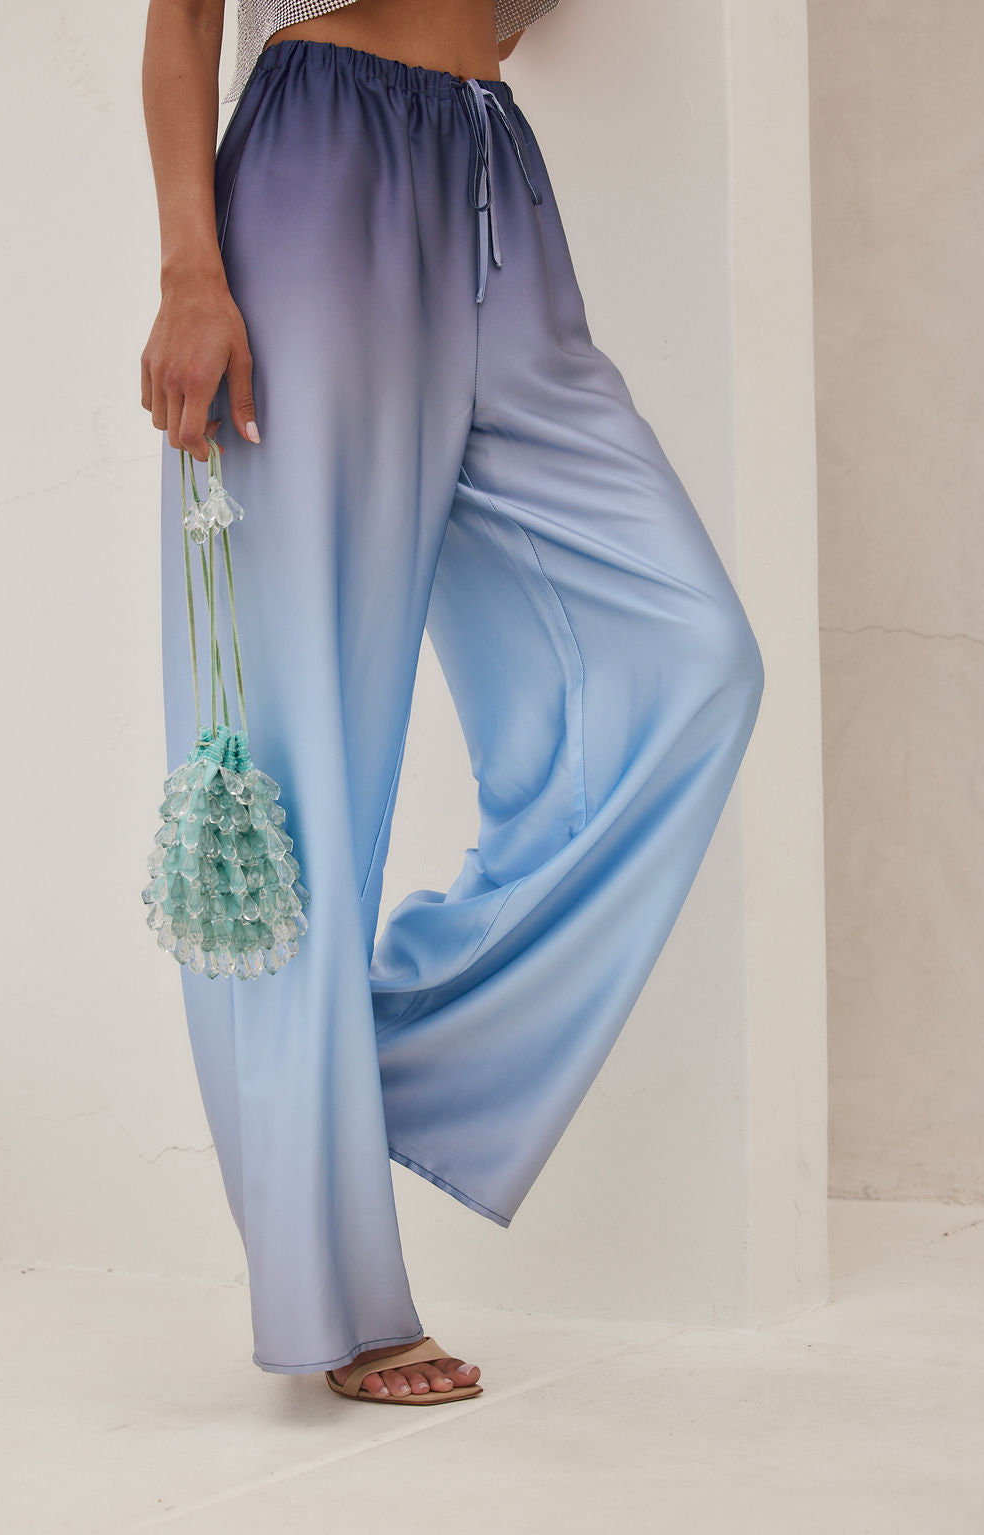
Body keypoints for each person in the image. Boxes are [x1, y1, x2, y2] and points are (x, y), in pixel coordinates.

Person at [140, 0, 765, 1407]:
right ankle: (342, 1304)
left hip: (497, 185)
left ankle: (377, 1058)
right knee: (298, 763)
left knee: (695, 658)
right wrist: (191, 271)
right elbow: (180, 19)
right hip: (318, 173)